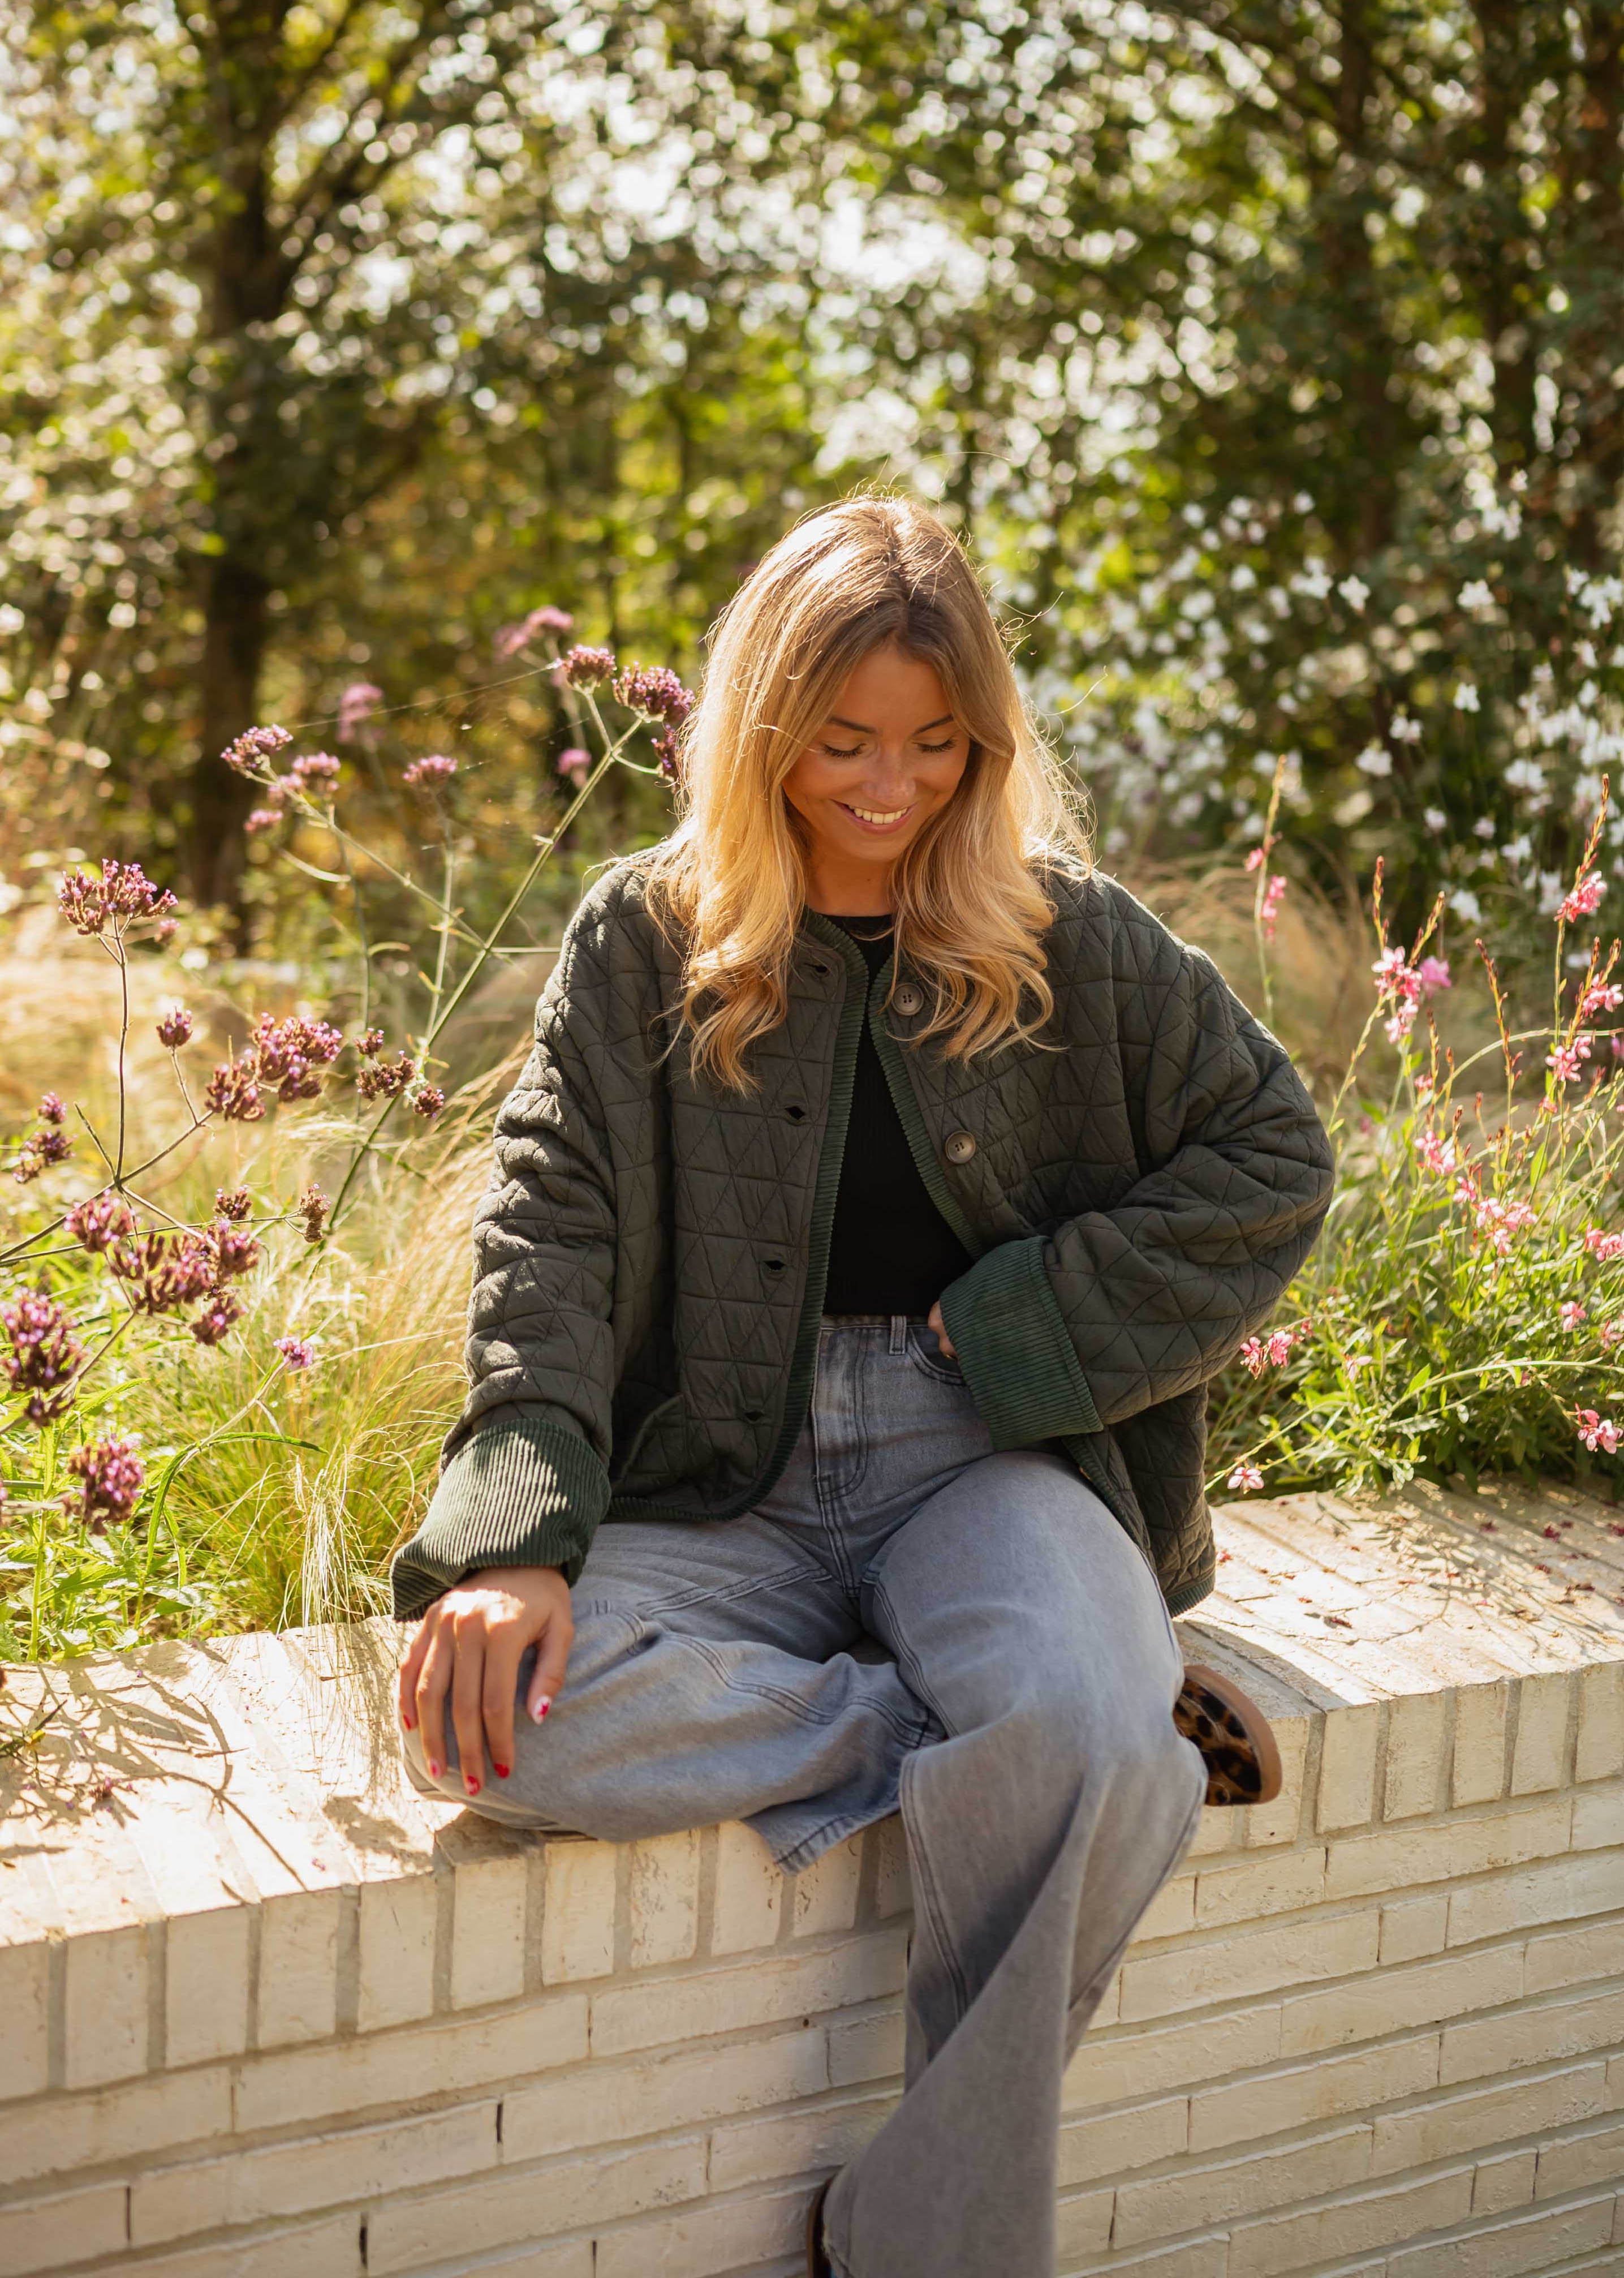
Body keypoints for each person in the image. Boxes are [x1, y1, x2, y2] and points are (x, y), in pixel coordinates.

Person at [392, 495, 1335, 2278]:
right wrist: (514, 1537)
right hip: (719, 1476)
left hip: (986, 1459)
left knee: (1075, 1725)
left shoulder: (1071, 936)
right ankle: (1003, 1723)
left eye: (932, 743)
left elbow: (1273, 1156)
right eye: (839, 741)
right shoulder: (638, 937)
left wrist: (1033, 1322)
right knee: (482, 1719)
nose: (888, 781)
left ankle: (917, 2240)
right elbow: (549, 1235)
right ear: (760, 728)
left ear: (981, 743)